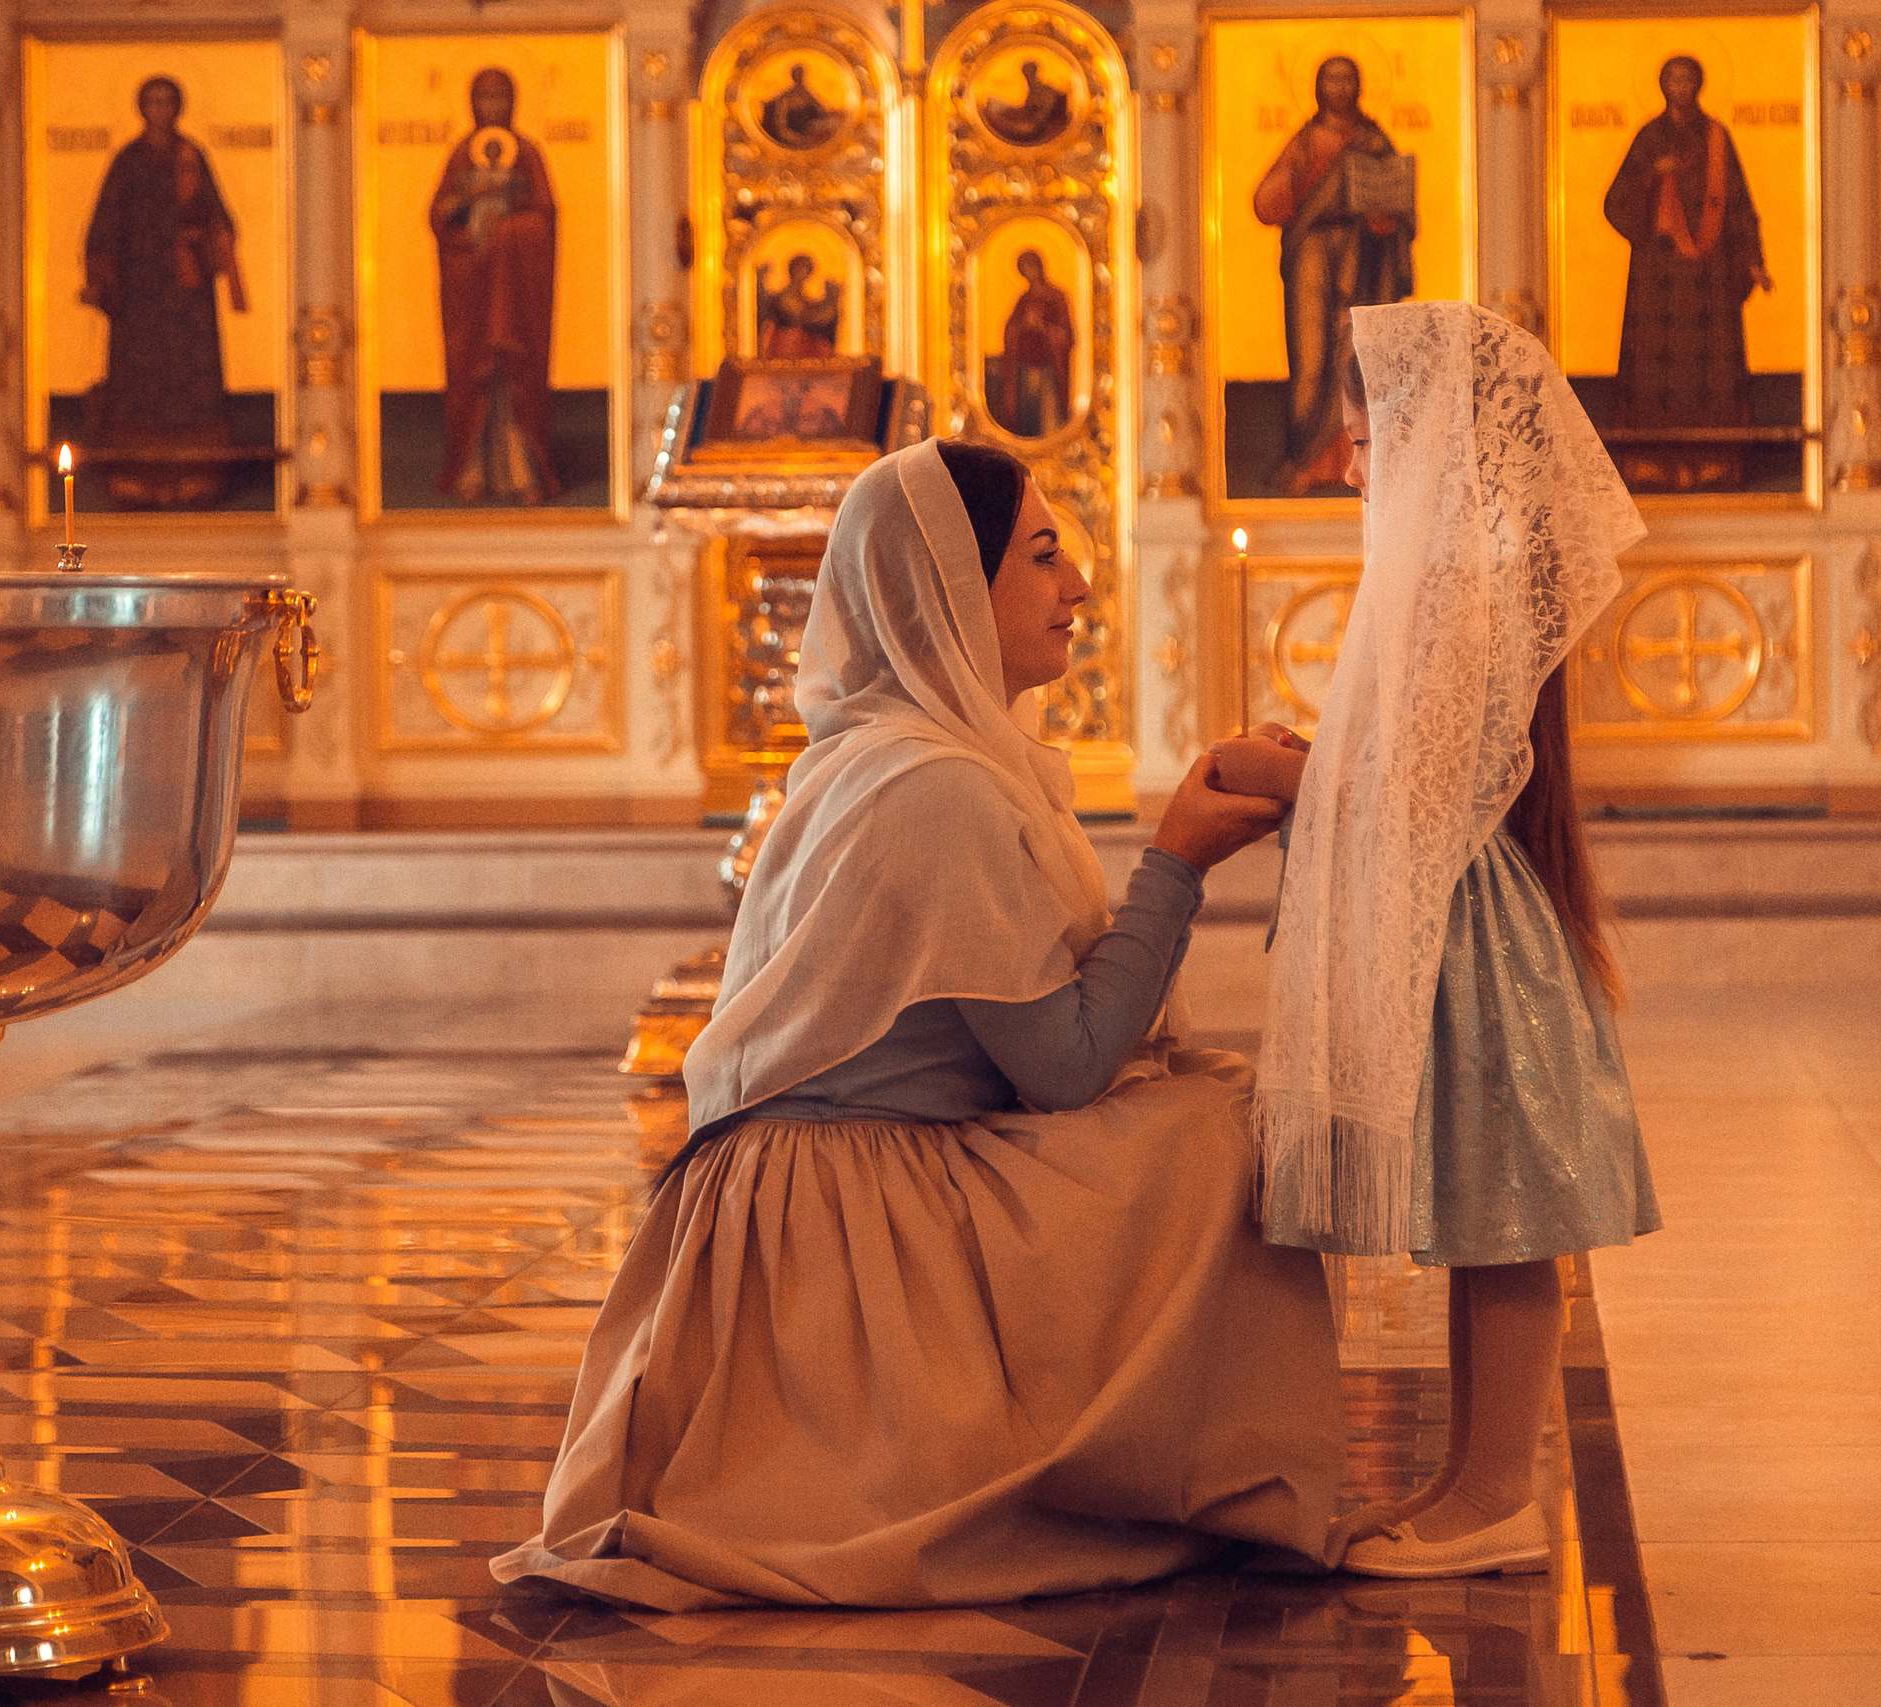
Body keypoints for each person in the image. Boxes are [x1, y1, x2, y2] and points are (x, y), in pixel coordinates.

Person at [493, 439, 1344, 1610]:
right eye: (1043, 556)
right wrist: (1177, 864)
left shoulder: (884, 759)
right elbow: (1067, 1068)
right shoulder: (930, 787)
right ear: (950, 588)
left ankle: (1156, 1470)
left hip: (810, 1197)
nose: (1079, 586)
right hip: (832, 1222)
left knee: (1192, 1104)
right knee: (1211, 1137)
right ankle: (1160, 1476)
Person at [1212, 301, 1660, 1577]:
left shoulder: (1462, 576)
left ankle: (1498, 1496)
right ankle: (1467, 1478)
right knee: (1478, 1208)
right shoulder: (1453, 570)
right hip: (1460, 913)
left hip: (1472, 928)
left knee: (1506, 1215)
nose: (1349, 465)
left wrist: (1286, 776)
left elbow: (1421, 781)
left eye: (1362, 438)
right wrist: (1317, 761)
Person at [1601, 56, 1770, 494]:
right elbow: (1615, 200)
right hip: (1657, 273)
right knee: (1655, 367)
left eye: (1688, 79)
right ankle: (1650, 464)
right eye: (1672, 79)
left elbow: (1738, 202)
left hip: (1709, 275)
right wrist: (1650, 178)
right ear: (1661, 85)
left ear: (1700, 84)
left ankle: (1715, 462)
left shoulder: (1717, 137)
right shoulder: (1649, 137)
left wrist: (1752, 258)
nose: (1680, 86)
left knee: (1709, 366)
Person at [79, 77, 246, 505]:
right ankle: (136, 475)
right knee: (139, 382)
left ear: (178, 107)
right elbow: (105, 223)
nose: (160, 109)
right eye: (153, 102)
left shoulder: (193, 158)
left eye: (168, 101)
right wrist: (103, 272)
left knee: (189, 381)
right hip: (139, 292)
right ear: (141, 108)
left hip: (185, 296)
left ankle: (195, 474)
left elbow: (220, 219)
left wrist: (207, 235)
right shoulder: (128, 160)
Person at [1251, 56, 1413, 496]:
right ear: (1318, 87)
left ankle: (1361, 461)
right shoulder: (1305, 141)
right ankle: (1305, 461)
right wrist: (1301, 181)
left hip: (1363, 256)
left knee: (1355, 354)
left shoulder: (1375, 141)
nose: (1339, 88)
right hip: (1313, 255)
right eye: (1330, 79)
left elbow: (1400, 203)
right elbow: (1266, 204)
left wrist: (1388, 219)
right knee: (1311, 357)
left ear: (1358, 86)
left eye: (1347, 79)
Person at [431, 68, 561, 504]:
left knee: (514, 373)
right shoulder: (459, 157)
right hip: (472, 291)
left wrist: (508, 233)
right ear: (472, 104)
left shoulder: (527, 155)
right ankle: (471, 472)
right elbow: (438, 218)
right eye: (484, 98)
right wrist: (468, 212)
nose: (492, 107)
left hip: (516, 294)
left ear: (513, 103)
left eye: (500, 98)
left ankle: (523, 472)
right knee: (473, 376)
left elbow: (544, 219)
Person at [988, 249, 1073, 437]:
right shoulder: (1023, 300)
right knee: (1027, 412)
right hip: (1025, 368)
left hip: (1049, 369)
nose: (1029, 274)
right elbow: (1010, 331)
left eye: (1031, 268)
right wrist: (1023, 326)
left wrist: (1041, 326)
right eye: (1024, 270)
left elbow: (1066, 335)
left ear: (1039, 267)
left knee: (1048, 413)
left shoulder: (1057, 297)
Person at [755, 253, 840, 357]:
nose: (802, 274)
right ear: (792, 271)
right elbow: (768, 325)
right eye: (799, 269)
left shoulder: (808, 301)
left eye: (806, 271)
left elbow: (815, 322)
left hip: (805, 345)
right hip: (784, 345)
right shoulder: (779, 298)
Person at [981, 59, 1070, 146]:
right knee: (993, 103)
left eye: (1030, 73)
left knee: (1001, 121)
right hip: (1030, 121)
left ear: (1036, 72)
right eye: (1026, 74)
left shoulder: (1045, 90)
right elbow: (1029, 109)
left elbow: (1041, 117)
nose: (1028, 76)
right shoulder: (1032, 90)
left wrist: (1023, 117)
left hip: (1035, 127)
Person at [760, 63, 843, 150]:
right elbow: (781, 124)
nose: (800, 77)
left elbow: (821, 108)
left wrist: (830, 113)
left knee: (833, 124)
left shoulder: (807, 93)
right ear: (793, 77)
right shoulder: (786, 97)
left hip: (812, 130)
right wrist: (797, 139)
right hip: (797, 135)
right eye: (797, 74)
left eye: (801, 74)